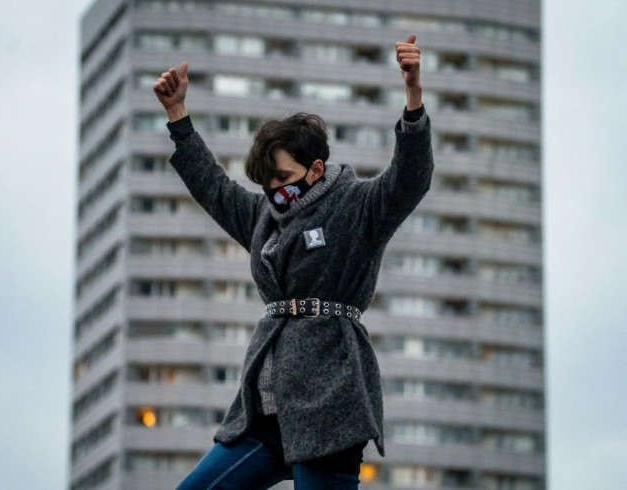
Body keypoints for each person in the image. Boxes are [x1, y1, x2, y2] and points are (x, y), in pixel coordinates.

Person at [153, 35, 434, 490]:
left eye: (283, 178)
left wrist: (414, 98)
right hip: (266, 408)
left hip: (330, 404)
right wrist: (178, 117)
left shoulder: (357, 207)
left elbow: (410, 180)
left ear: (316, 169)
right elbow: (215, 188)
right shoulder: (264, 216)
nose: (274, 190)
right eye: (266, 182)